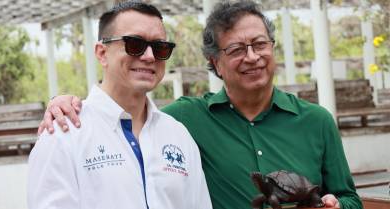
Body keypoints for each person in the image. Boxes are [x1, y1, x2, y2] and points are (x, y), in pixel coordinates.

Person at [38, 1, 362, 209]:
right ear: (215, 63)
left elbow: (351, 199)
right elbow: (121, 112)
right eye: (236, 49)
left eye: (260, 44)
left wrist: (335, 206)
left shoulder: (316, 120)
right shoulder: (186, 120)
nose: (252, 57)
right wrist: (62, 102)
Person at [28, 2, 212, 209]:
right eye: (135, 44)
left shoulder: (178, 135)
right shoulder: (63, 135)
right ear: (101, 53)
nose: (149, 56)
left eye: (160, 47)